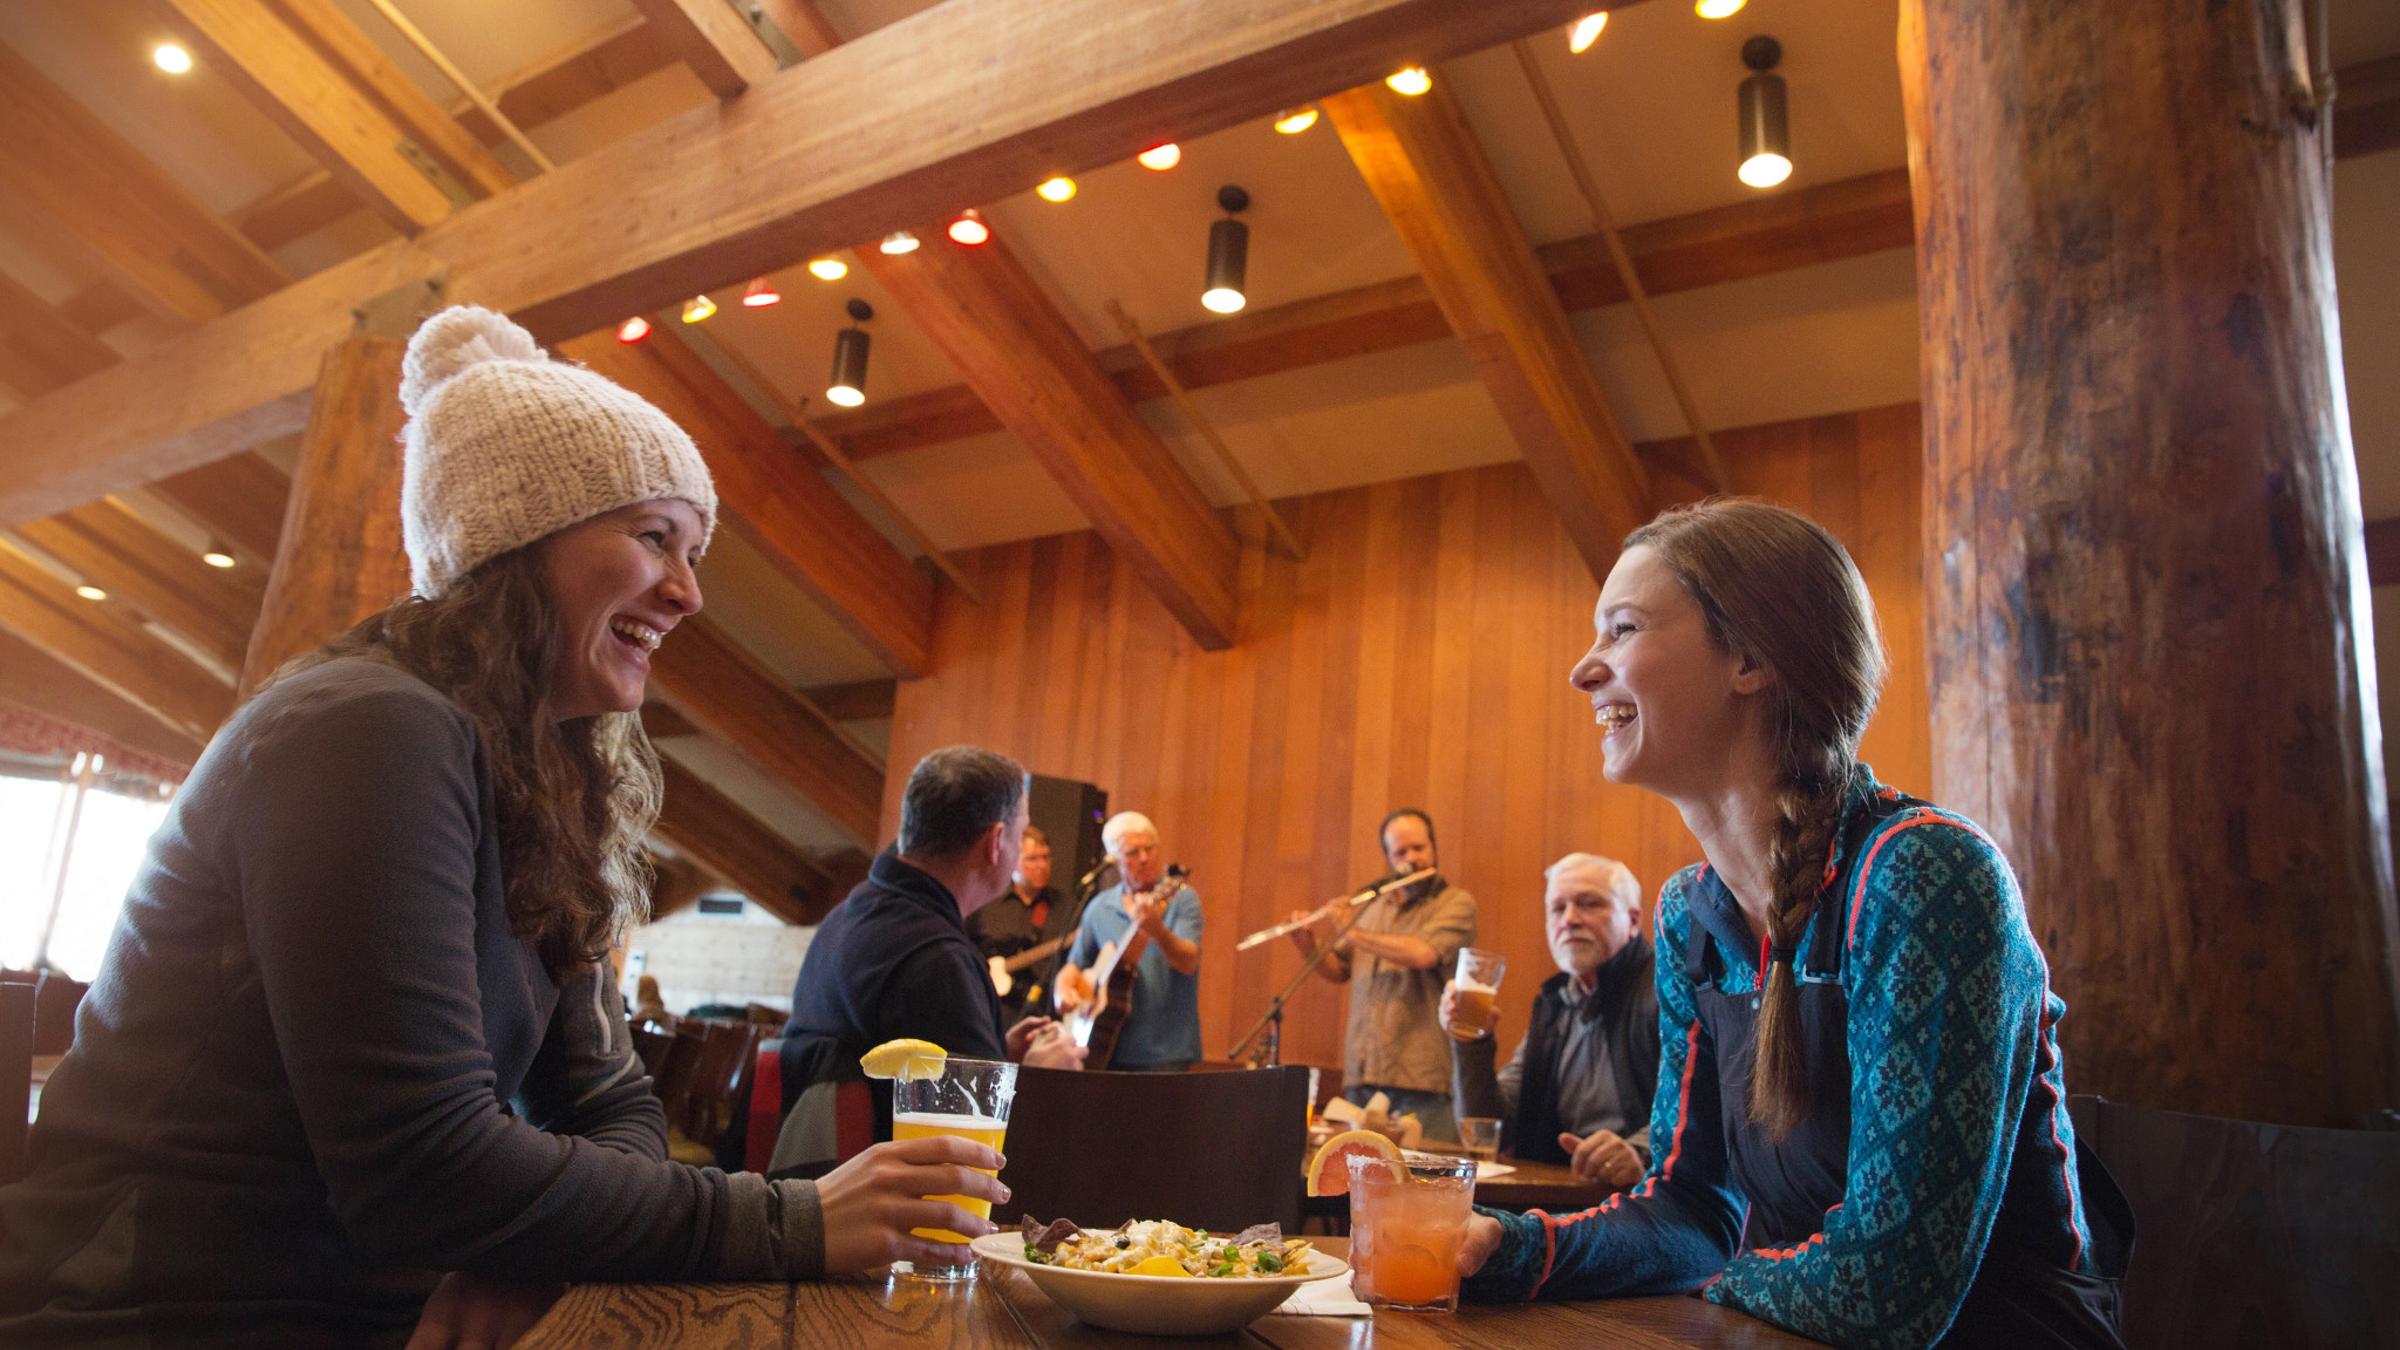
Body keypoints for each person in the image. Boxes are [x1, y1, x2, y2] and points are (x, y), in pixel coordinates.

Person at [0, 307, 1007, 1347]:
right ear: (516, 539)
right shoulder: (367, 727)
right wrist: (793, 1219)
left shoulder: (534, 782)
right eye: (653, 536)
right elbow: (424, 1173)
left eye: (693, 548)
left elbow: (612, 1103)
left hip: (371, 1311)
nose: (690, 592)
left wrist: (529, 1245)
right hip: (151, 1315)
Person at [1458, 499, 2129, 1349]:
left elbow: (1886, 1290)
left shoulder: (1921, 872)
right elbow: (1692, 1209)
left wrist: (1719, 1279)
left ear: (1749, 657)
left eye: (1620, 629)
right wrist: (1499, 1247)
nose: (1583, 670)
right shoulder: (1686, 915)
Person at [767, 747, 1083, 1174]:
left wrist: (995, 1058)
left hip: (814, 1188)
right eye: (1020, 831)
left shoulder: (848, 915)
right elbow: (974, 1154)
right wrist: (1043, 1077)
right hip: (892, 1218)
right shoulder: (935, 960)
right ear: (995, 843)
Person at [1446, 852, 1658, 1187]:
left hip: (1644, 1199)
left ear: (1633, 921)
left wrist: (1641, 1152)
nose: (1570, 919)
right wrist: (1472, 1041)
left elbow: (1701, 1106)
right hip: (1560, 1195)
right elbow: (1488, 1127)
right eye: (1558, 908)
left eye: (1589, 904)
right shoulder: (1554, 1003)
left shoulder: (1665, 989)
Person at [1287, 809, 1476, 1143]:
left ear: (1434, 848)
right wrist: (1310, 947)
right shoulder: (1373, 908)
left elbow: (1422, 953)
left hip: (1422, 1080)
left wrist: (1352, 929)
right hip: (1364, 1074)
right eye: (1400, 852)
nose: (1412, 859)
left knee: (1421, 1181)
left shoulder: (1455, 904)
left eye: (1419, 848)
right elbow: (1340, 969)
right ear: (1388, 858)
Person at [1054, 812, 1203, 1072]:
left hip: (1165, 1052)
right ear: (1114, 861)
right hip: (1105, 1046)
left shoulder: (1181, 899)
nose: (1144, 858)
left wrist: (1156, 929)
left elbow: (1189, 961)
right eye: (1133, 852)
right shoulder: (1099, 906)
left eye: (1150, 849)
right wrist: (1062, 989)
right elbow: (1075, 965)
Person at [965, 823, 1070, 1023]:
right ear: (1012, 860)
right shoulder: (986, 903)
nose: (1042, 865)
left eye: (1046, 857)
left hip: (1044, 1015)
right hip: (991, 1013)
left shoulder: (1065, 907)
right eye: (1032, 859)